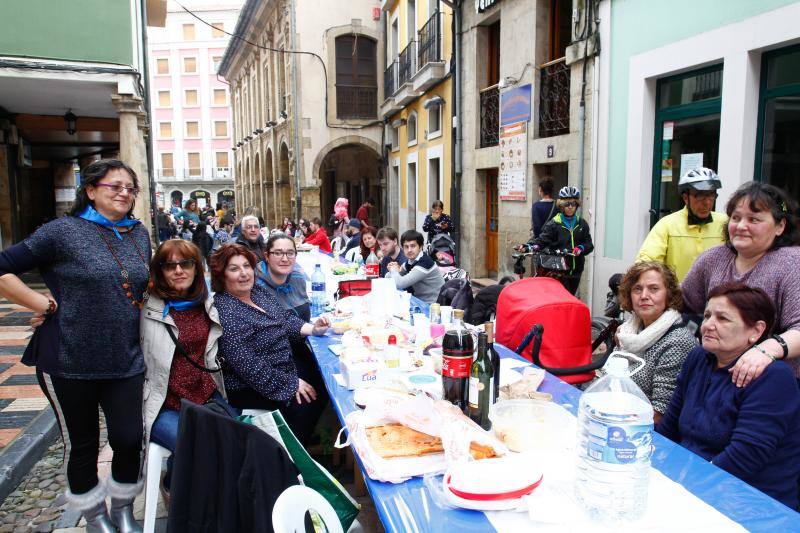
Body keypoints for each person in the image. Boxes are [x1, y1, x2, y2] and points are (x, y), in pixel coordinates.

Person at [0, 159, 149, 532]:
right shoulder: (60, 232)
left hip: (125, 356)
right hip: (68, 359)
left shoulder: (137, 233)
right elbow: (4, 267)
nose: (124, 193)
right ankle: (94, 515)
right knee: (82, 444)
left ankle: (123, 509)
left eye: (130, 188)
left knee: (130, 439)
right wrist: (43, 305)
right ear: (91, 190)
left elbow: (141, 290)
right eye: (114, 186)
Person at [656, 283, 800, 509]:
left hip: (750, 502)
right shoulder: (699, 358)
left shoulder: (773, 377)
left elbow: (744, 458)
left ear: (756, 331)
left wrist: (684, 486)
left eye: (722, 319)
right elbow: (669, 428)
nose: (708, 325)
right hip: (690, 485)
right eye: (707, 315)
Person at [140, 240, 235, 502]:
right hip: (164, 403)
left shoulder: (205, 303)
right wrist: (49, 312)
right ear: (160, 271)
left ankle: (220, 502)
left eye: (186, 263)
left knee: (237, 441)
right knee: (195, 445)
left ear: (196, 268)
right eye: (170, 265)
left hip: (204, 394)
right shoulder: (144, 307)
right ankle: (174, 487)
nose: (179, 270)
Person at [682, 181, 800, 387]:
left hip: (775, 383)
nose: (741, 226)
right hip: (715, 377)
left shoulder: (791, 263)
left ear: (780, 226)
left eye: (754, 219)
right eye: (736, 218)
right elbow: (682, 302)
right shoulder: (713, 259)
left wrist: (766, 350)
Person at [211, 245, 330, 444]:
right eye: (234, 269)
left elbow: (283, 318)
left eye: (247, 266)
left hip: (282, 365)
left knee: (323, 377)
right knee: (309, 398)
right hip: (251, 386)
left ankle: (304, 439)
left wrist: (313, 328)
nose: (243, 274)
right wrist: (291, 384)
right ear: (221, 275)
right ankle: (288, 454)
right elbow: (248, 365)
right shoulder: (225, 311)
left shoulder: (257, 293)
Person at [612, 262, 697, 422]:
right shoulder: (628, 332)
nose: (644, 295)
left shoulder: (678, 341)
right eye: (637, 289)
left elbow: (660, 412)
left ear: (669, 295)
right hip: (616, 411)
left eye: (654, 289)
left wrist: (609, 419)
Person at [637, 167, 728, 282]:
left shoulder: (725, 223)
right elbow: (646, 261)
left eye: (711, 195)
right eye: (700, 196)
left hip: (715, 297)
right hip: (678, 297)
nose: (707, 202)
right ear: (685, 198)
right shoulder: (668, 225)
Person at [522, 186, 594, 295]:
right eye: (567, 204)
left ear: (577, 205)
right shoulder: (554, 224)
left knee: (570, 296)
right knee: (564, 298)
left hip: (576, 271)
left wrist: (581, 248)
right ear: (561, 205)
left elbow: (589, 244)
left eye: (573, 204)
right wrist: (529, 246)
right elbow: (541, 241)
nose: (570, 207)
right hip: (559, 272)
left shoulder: (582, 223)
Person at [386, 230, 445, 304]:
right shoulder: (410, 262)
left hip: (432, 306)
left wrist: (394, 271)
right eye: (406, 247)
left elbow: (399, 284)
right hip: (419, 302)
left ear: (420, 247)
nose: (409, 250)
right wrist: (393, 270)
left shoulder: (424, 263)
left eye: (413, 246)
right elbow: (388, 279)